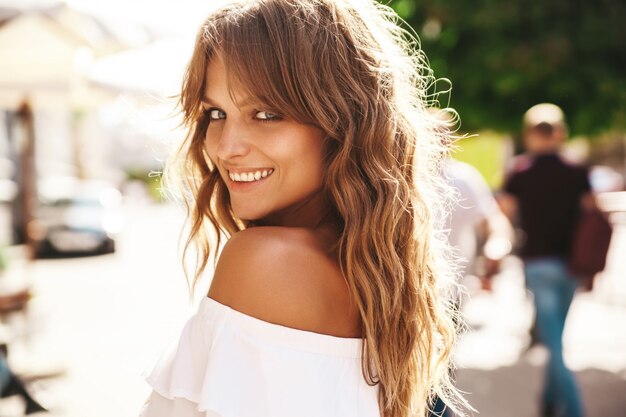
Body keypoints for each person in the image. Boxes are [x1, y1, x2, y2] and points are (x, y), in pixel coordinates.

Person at [139, 1, 468, 416]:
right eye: (216, 113)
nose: (226, 146)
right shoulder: (376, 273)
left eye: (266, 114)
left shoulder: (268, 262)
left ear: (345, 121)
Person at [499, 103, 591, 417]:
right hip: (571, 264)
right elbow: (590, 214)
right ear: (560, 133)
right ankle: (551, 402)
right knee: (556, 339)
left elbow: (507, 215)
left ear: (529, 134)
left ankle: (575, 410)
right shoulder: (577, 171)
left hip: (538, 264)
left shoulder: (519, 171)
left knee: (554, 344)